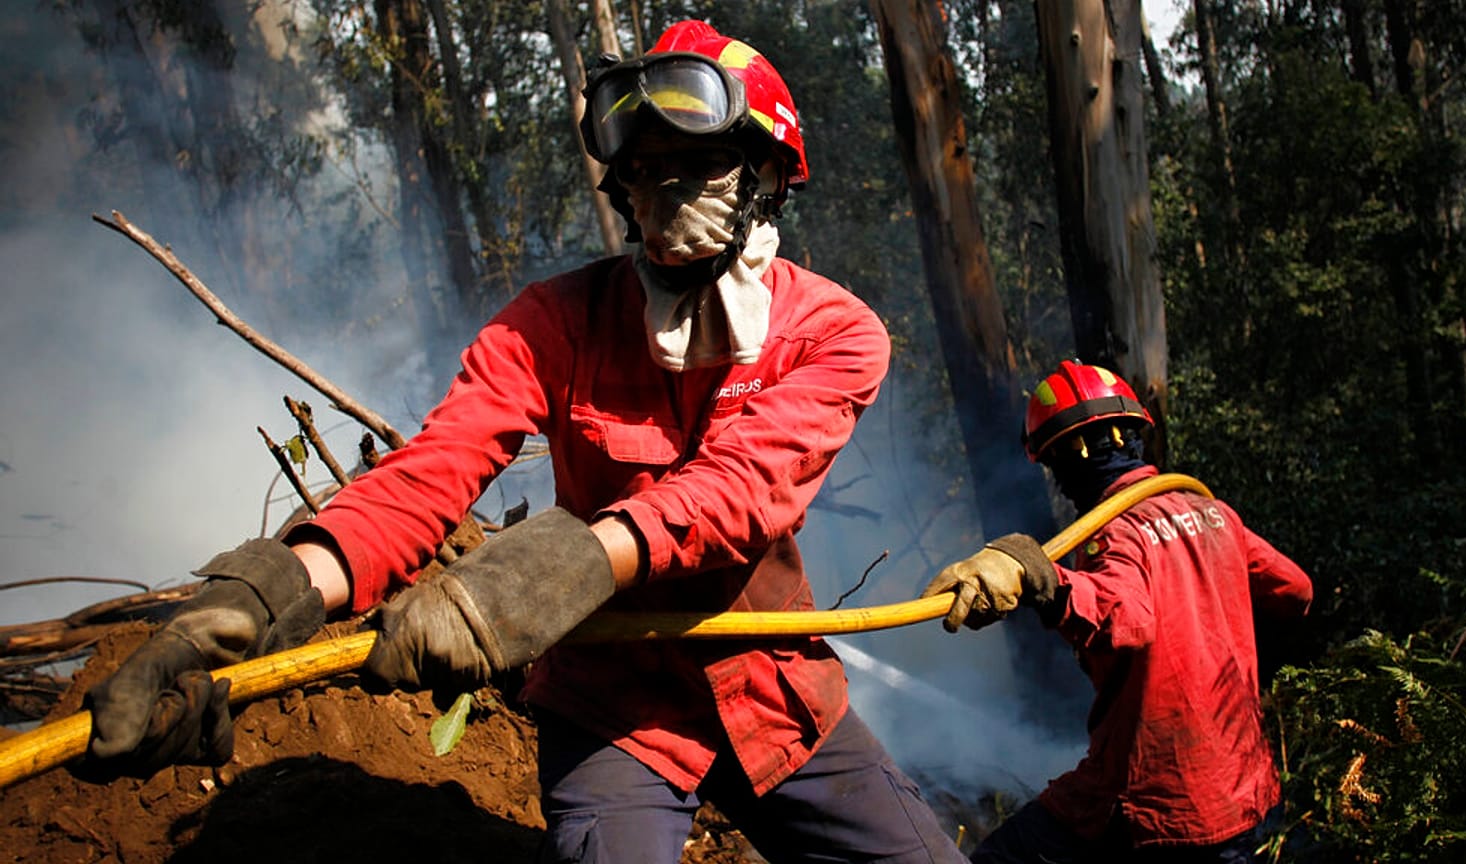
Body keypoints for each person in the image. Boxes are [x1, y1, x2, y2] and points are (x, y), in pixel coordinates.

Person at [80, 19, 967, 864]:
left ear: (769, 174)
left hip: (772, 692)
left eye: (697, 165)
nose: (663, 190)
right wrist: (251, 607)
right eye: (644, 167)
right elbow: (428, 477)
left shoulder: (834, 332)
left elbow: (738, 494)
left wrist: (531, 582)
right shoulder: (553, 322)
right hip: (613, 712)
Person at [921, 360, 1313, 863]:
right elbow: (1296, 589)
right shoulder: (1216, 514)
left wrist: (1041, 578)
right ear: (1132, 434)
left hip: (1156, 799)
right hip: (1247, 787)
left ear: (1064, 461)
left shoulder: (1115, 533)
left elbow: (1124, 616)